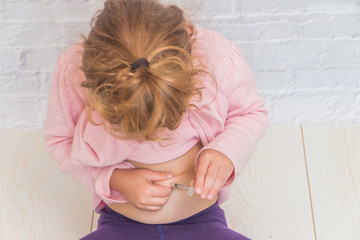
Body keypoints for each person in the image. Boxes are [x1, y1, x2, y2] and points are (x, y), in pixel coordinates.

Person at [44, 0, 269, 239]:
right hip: (120, 223)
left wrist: (226, 152)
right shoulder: (73, 72)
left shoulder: (216, 58)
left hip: (204, 221)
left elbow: (250, 112)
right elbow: (60, 141)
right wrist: (115, 180)